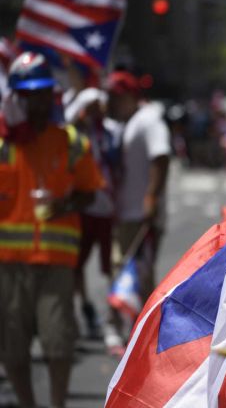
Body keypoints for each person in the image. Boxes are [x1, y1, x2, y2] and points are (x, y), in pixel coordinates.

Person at [0, 52, 103, 408]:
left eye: (42, 93)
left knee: (59, 340)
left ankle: (56, 405)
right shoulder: (3, 143)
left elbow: (90, 193)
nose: (36, 102)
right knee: (11, 343)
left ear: (52, 95)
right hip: (8, 263)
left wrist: (65, 204)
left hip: (56, 260)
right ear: (15, 97)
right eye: (27, 95)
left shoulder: (71, 141)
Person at [104, 70, 170, 353]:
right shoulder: (129, 122)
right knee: (126, 273)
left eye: (115, 98)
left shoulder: (148, 120)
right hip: (126, 212)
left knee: (135, 275)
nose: (111, 104)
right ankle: (138, 333)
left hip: (141, 215)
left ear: (130, 96)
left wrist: (151, 197)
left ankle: (140, 335)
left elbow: (161, 157)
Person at [65, 87, 122, 339]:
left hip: (108, 208)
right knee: (76, 265)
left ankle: (114, 314)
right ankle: (86, 309)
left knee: (111, 265)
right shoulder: (74, 133)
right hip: (84, 208)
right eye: (93, 106)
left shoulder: (111, 131)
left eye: (101, 104)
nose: (100, 110)